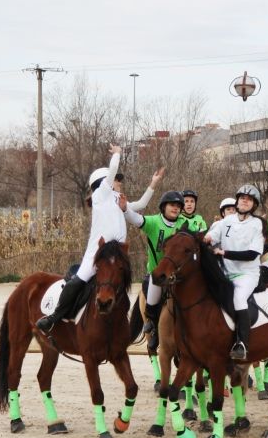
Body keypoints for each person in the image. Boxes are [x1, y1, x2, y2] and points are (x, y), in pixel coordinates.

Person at [36, 144, 126, 333]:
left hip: (115, 255)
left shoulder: (118, 202)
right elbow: (112, 173)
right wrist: (117, 154)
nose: (118, 183)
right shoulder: (101, 196)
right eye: (116, 181)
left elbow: (139, 205)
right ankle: (54, 317)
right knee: (78, 281)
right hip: (96, 254)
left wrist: (153, 184)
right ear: (102, 184)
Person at [204, 184, 265, 360]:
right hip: (226, 273)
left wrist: (224, 253)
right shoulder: (225, 222)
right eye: (242, 198)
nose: (245, 201)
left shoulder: (257, 224)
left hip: (247, 274)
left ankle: (242, 344)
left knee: (239, 298)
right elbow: (211, 236)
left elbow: (252, 254)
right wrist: (206, 238)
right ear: (237, 201)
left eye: (249, 199)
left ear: (254, 205)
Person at [124, 187, 185, 337]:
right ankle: (151, 323)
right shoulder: (153, 222)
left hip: (180, 275)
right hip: (159, 274)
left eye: (178, 207)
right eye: (172, 205)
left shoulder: (185, 224)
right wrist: (125, 209)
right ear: (164, 207)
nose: (175, 209)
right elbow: (134, 219)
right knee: (153, 295)